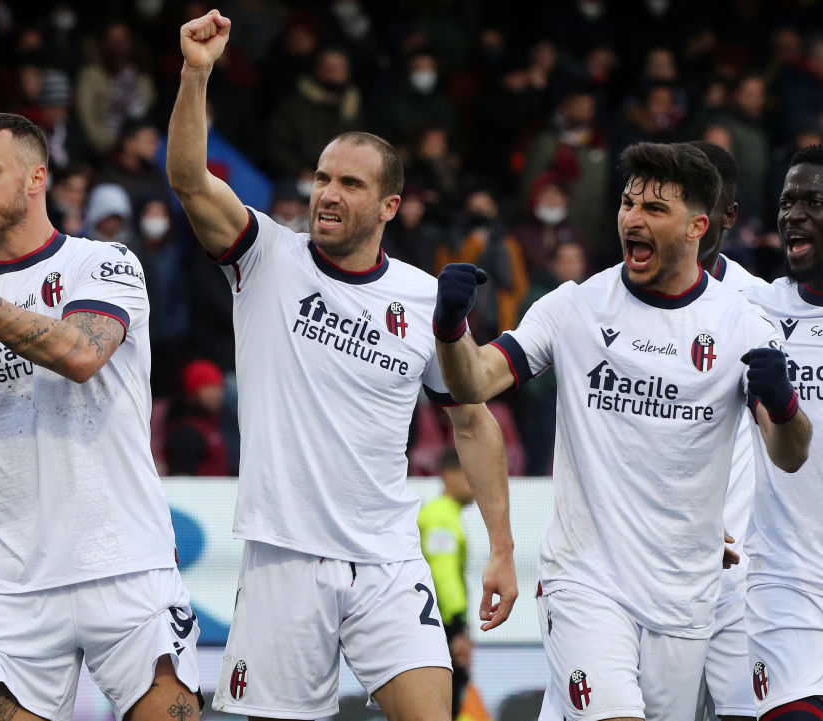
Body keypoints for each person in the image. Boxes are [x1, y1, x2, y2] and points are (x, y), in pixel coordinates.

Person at [167, 10, 517, 721]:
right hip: (284, 554)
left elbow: (474, 422)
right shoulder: (265, 255)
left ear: (389, 204)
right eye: (323, 177)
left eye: (350, 184)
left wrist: (503, 549)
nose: (328, 193)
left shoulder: (425, 297)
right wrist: (196, 73)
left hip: (388, 556)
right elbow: (189, 180)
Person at [433, 141, 811, 721]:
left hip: (685, 603)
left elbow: (788, 454)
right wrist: (453, 329)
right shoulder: (574, 307)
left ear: (697, 228)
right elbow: (476, 381)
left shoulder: (743, 325)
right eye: (629, 203)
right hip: (586, 584)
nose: (633, 218)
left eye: (655, 209)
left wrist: (784, 405)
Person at [0, 112, 201, 721]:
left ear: (36, 178)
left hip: (125, 563)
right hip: (14, 582)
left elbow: (80, 354)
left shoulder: (103, 263)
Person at [739, 144, 823, 721]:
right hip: (785, 578)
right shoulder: (754, 310)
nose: (792, 212)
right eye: (787, 200)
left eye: (812, 201)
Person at [688, 141, 766, 721]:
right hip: (644, 573)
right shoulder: (599, 301)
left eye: (703, 200)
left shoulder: (760, 307)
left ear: (727, 216)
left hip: (741, 578)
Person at [417, 447, 500, 720]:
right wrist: (457, 626)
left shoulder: (442, 515)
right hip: (443, 627)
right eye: (470, 474)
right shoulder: (440, 517)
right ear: (449, 475)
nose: (477, 482)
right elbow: (443, 575)